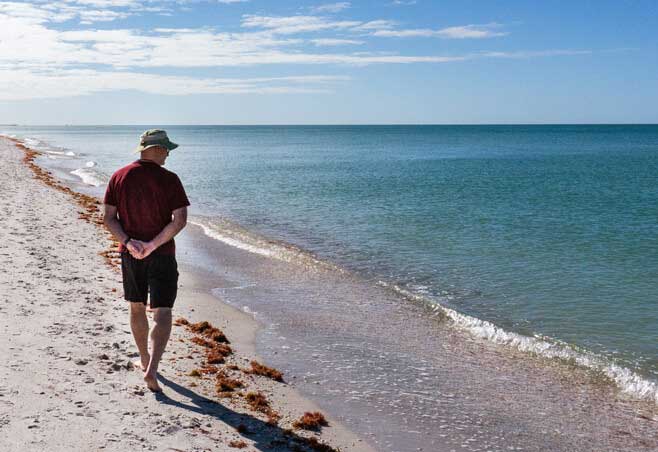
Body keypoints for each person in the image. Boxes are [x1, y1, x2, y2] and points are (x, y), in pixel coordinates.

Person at [103, 129, 189, 392]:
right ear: (158, 149)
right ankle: (152, 370)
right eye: (166, 150)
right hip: (161, 255)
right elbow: (180, 220)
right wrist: (152, 246)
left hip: (131, 254)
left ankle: (143, 359)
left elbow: (108, 218)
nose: (168, 156)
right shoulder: (170, 179)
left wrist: (129, 243)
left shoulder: (119, 176)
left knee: (136, 307)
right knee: (162, 312)